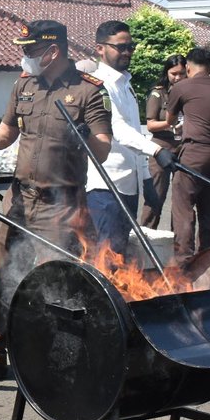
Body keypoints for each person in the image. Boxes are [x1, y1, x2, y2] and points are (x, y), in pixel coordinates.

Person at [0, 20, 112, 386]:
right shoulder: (24, 85)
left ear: (52, 51)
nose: (24, 57)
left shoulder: (88, 92)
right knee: (5, 278)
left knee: (57, 285)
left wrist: (85, 135)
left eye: (29, 50)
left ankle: (59, 364)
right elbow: (7, 132)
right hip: (20, 198)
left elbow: (104, 147)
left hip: (62, 206)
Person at [86, 22, 173, 257]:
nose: (127, 52)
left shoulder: (126, 84)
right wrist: (156, 150)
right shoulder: (98, 85)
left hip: (128, 184)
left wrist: (146, 179)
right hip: (105, 184)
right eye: (121, 47)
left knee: (121, 252)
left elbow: (136, 132)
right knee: (106, 256)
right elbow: (118, 129)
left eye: (130, 47)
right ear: (100, 49)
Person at [163, 47, 210, 268]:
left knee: (183, 209)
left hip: (194, 153)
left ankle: (183, 264)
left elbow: (170, 119)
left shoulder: (181, 87)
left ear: (188, 67)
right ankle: (207, 263)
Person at [139, 55, 186, 229]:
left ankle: (179, 241)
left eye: (182, 74)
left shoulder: (189, 93)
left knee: (182, 199)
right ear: (167, 73)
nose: (178, 78)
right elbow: (151, 125)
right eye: (174, 73)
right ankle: (146, 236)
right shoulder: (158, 93)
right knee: (156, 195)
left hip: (183, 149)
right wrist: (169, 124)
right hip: (161, 148)